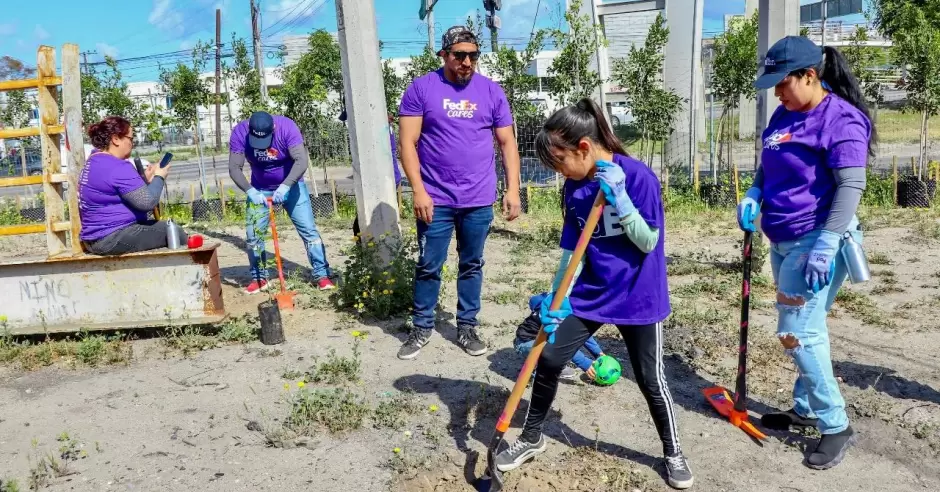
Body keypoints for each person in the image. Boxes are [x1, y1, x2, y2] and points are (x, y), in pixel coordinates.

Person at [495, 99, 693, 490]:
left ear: (584, 147)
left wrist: (621, 199)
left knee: (650, 379)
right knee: (549, 358)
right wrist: (556, 299)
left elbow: (648, 242)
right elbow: (572, 252)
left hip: (639, 295)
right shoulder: (574, 188)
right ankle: (531, 437)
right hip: (592, 293)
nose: (559, 172)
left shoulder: (637, 177)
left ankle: (673, 451)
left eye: (560, 162)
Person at [740, 36, 873, 470]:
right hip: (782, 239)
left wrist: (827, 242)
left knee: (795, 333)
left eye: (783, 83)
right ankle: (807, 408)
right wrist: (755, 192)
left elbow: (851, 185)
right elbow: (769, 162)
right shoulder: (784, 113)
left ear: (810, 76)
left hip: (815, 242)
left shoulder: (841, 120)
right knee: (808, 329)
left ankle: (835, 425)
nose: (777, 92)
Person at [396, 25, 522, 360]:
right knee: (429, 264)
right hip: (435, 199)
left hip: (478, 199)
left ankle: (467, 326)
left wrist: (513, 189)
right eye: (459, 55)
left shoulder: (491, 91)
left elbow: (507, 143)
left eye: (473, 55)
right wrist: (418, 191)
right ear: (444, 55)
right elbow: (407, 143)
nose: (467, 62)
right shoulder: (422, 89)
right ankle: (422, 327)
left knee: (472, 264)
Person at [229, 111, 334, 294]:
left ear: (273, 128)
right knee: (253, 235)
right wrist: (250, 191)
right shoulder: (240, 132)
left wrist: (286, 185)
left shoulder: (287, 127)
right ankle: (259, 278)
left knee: (309, 231)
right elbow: (234, 167)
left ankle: (322, 274)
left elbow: (301, 161)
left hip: (292, 186)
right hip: (260, 189)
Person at [78, 116, 174, 256]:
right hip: (112, 237)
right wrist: (159, 176)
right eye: (130, 139)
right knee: (173, 231)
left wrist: (146, 181)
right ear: (116, 139)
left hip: (95, 238)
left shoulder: (94, 161)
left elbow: (120, 192)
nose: (132, 144)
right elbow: (147, 202)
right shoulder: (117, 166)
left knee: (161, 228)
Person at [515, 292, 606, 381]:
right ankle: (538, 370)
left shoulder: (569, 308)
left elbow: (582, 334)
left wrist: (598, 352)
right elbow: (564, 345)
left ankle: (546, 364)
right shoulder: (559, 316)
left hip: (536, 340)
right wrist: (585, 363)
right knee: (554, 351)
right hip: (527, 343)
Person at [346, 112, 402, 241]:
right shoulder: (384, 126)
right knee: (380, 218)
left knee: (366, 221)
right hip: (389, 176)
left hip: (381, 178)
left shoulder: (373, 127)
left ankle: (370, 247)